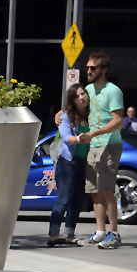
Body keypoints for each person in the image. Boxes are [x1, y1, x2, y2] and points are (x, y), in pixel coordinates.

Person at [78, 52, 125, 249]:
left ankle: (114, 234)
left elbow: (118, 121)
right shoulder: (88, 89)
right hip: (93, 145)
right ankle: (100, 232)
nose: (88, 71)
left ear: (104, 70)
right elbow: (78, 110)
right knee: (94, 192)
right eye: (88, 67)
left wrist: (95, 133)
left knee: (106, 191)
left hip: (109, 144)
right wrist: (60, 114)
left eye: (93, 68)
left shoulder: (113, 91)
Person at [47, 84, 90, 247]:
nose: (82, 97)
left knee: (78, 200)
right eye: (78, 95)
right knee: (63, 199)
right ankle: (53, 235)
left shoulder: (90, 115)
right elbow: (66, 137)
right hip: (68, 162)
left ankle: (69, 234)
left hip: (83, 162)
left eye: (83, 94)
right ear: (72, 99)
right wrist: (80, 138)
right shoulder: (66, 116)